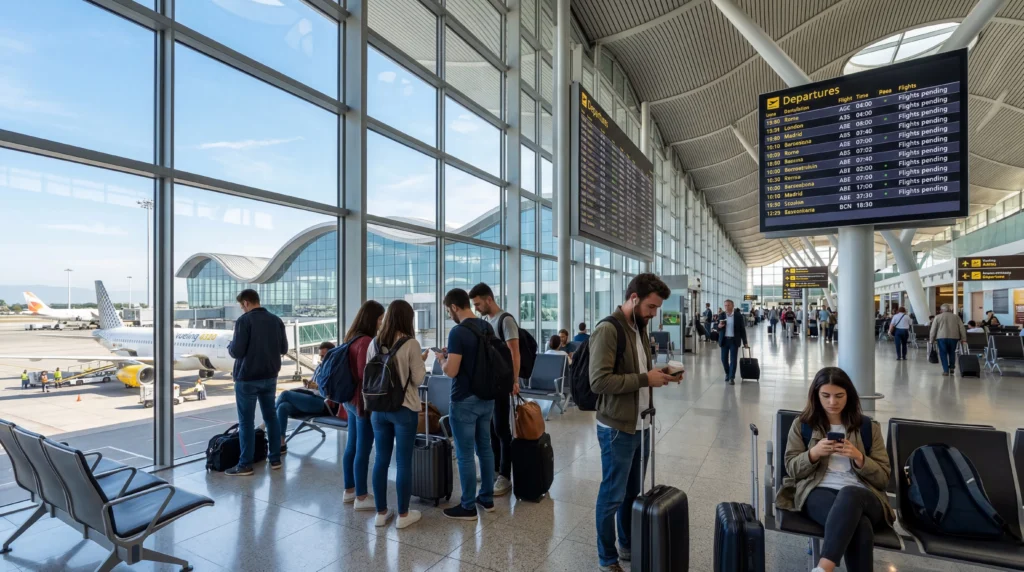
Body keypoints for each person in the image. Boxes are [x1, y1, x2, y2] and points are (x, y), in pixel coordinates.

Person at [591, 274, 683, 572]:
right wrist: (645, 378)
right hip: (617, 428)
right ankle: (607, 558)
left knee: (632, 493)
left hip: (641, 423)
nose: (654, 314)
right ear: (633, 299)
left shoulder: (639, 328)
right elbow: (599, 381)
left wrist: (659, 374)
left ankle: (627, 546)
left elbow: (638, 370)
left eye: (657, 308)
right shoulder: (609, 329)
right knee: (612, 495)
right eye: (651, 307)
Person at [776, 367, 893, 572]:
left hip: (865, 495)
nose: (832, 402)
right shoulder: (802, 425)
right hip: (818, 491)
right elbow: (792, 469)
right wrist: (814, 453)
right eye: (826, 396)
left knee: (850, 493)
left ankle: (823, 567)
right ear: (816, 396)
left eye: (839, 396)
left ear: (849, 395)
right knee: (861, 526)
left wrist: (858, 457)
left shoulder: (867, 427)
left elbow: (883, 478)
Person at [434, 288, 495, 521]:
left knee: (465, 453)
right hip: (486, 397)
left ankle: (468, 505)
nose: (449, 314)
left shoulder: (458, 332)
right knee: (485, 447)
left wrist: (442, 359)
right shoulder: (485, 327)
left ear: (454, 307)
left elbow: (452, 371)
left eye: (448, 310)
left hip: (464, 400)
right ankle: (486, 499)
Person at [367, 300, 428, 529]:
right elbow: (417, 379)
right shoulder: (411, 344)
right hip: (404, 409)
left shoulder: (375, 342)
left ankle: (381, 513)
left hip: (378, 409)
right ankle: (403, 515)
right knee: (403, 462)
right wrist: (420, 361)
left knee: (381, 459)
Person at [226, 289, 288, 476]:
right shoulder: (276, 320)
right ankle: (275, 458)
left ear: (246, 303)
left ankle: (245, 464)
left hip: (247, 378)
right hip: (270, 376)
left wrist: (230, 346)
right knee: (271, 417)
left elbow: (236, 351)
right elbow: (284, 348)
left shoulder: (244, 321)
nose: (242, 309)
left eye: (241, 305)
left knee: (246, 422)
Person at [469, 282, 520, 498]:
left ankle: (505, 475)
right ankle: (496, 468)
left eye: (478, 304)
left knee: (501, 429)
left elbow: (514, 353)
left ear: (489, 299)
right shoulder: (485, 321)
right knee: (491, 429)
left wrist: (514, 381)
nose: (476, 308)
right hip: (489, 384)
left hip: (502, 384)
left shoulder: (505, 320)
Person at [338, 301, 387, 508]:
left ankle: (349, 490)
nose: (381, 323)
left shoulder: (350, 337)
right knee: (363, 450)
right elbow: (363, 374)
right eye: (380, 318)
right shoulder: (366, 341)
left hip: (349, 400)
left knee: (352, 446)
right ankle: (361, 497)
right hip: (361, 402)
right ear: (373, 319)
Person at [274, 341, 337, 455]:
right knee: (283, 407)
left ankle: (265, 422)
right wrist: (309, 384)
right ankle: (281, 443)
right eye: (320, 356)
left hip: (322, 403)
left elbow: (333, 391)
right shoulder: (320, 366)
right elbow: (315, 383)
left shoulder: (335, 369)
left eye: (324, 356)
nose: (321, 358)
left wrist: (317, 386)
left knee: (285, 394)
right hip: (311, 397)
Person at [929, 304, 967, 376]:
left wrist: (931, 340)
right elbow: (962, 328)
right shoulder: (956, 317)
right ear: (950, 310)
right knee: (952, 352)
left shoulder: (937, 317)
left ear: (941, 310)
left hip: (941, 338)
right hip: (954, 337)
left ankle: (945, 370)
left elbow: (933, 330)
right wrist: (963, 339)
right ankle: (952, 367)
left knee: (943, 353)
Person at [718, 299, 749, 385]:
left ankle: (732, 377)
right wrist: (719, 326)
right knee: (723, 359)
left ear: (732, 306)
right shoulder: (721, 315)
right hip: (724, 340)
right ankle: (727, 373)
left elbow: (742, 330)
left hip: (734, 341)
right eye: (725, 305)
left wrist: (745, 342)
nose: (727, 307)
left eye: (728, 305)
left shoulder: (738, 316)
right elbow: (717, 328)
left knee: (733, 359)